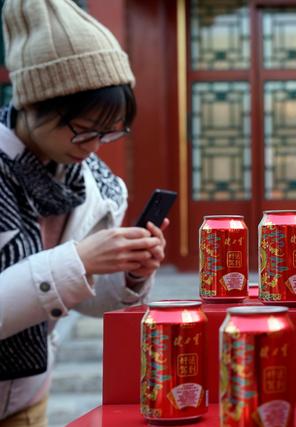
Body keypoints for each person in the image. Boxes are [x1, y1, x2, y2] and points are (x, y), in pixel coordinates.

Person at [0, 1, 168, 425]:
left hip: (27, 400)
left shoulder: (98, 185)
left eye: (109, 131)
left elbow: (85, 302)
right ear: (33, 102)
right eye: (82, 129)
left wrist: (130, 273)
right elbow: (65, 275)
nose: (93, 146)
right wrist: (77, 261)